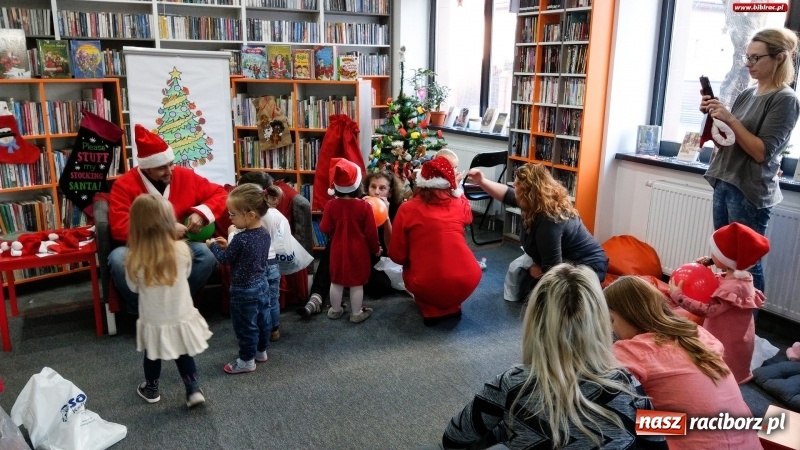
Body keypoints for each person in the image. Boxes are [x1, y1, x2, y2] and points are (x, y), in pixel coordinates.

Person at [442, 264, 667, 450]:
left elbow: (453, 438)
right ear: (599, 324)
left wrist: (507, 426)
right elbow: (659, 444)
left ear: (535, 322)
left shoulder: (512, 384)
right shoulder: (628, 384)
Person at [604, 275, 762, 449]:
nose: (612, 329)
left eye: (612, 321)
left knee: (614, 418)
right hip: (744, 439)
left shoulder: (631, 351)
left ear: (627, 316)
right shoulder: (698, 333)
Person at [701, 27, 800, 292]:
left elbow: (760, 151)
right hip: (726, 180)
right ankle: (725, 320)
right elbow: (732, 138)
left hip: (749, 190)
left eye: (756, 58)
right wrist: (716, 116)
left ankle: (746, 328)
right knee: (725, 257)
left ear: (779, 58)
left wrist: (729, 118)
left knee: (746, 266)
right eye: (748, 57)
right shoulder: (748, 93)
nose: (749, 64)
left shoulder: (785, 100)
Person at [109, 125, 227, 315]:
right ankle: (142, 310)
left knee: (207, 255)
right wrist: (164, 229)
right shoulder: (123, 185)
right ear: (146, 168)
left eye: (171, 163)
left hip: (179, 244)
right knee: (117, 259)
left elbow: (220, 193)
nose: (170, 170)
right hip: (141, 246)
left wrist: (202, 212)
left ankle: (176, 305)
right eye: (162, 167)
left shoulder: (185, 176)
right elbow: (119, 227)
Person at [467, 162, 607, 301]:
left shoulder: (549, 221)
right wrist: (481, 181)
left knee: (536, 293)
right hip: (565, 259)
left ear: (529, 193)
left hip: (588, 267)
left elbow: (554, 268)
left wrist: (540, 271)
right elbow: (506, 194)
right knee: (524, 286)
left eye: (517, 186)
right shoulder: (536, 202)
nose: (513, 187)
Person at [125, 194, 212, 408]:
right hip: (180, 313)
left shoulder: (134, 258)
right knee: (183, 351)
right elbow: (188, 273)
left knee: (152, 354)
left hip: (154, 318)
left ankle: (152, 388)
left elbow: (133, 287)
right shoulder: (182, 250)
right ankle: (193, 389)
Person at [668, 222, 769, 384]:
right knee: (715, 366)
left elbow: (709, 310)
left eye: (715, 253)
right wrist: (706, 265)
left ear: (728, 260)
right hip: (727, 333)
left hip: (728, 340)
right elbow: (720, 281)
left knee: (722, 373)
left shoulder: (735, 287)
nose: (711, 256)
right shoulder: (738, 276)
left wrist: (679, 296)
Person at [298, 169, 405, 316]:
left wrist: (385, 218)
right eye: (373, 187)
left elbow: (391, 248)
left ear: (390, 192)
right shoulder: (361, 205)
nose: (377, 192)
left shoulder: (396, 209)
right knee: (334, 245)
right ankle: (317, 296)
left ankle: (348, 282)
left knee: (382, 287)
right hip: (354, 251)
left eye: (382, 188)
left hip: (378, 258)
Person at [389, 156, 481, 326]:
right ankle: (450, 303)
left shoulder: (407, 208)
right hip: (468, 277)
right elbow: (467, 217)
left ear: (421, 182)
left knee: (412, 267)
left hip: (426, 282)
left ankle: (431, 306)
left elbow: (397, 255)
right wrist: (458, 193)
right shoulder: (459, 203)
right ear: (449, 183)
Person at [208, 183, 274, 374]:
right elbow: (247, 256)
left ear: (251, 215)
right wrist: (226, 246)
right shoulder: (264, 234)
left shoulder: (240, 239)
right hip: (262, 284)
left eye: (233, 214)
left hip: (243, 291)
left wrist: (212, 245)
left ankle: (246, 361)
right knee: (263, 320)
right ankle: (261, 352)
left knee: (245, 327)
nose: (230, 218)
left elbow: (225, 260)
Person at [319, 158, 381, 323]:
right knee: (356, 283)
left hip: (338, 249)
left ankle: (335, 310)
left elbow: (324, 227)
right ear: (358, 184)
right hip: (358, 251)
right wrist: (376, 249)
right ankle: (356, 313)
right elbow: (371, 233)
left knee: (336, 280)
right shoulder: (365, 206)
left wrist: (336, 231)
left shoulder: (331, 205)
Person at [234, 171, 284, 342]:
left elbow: (241, 243)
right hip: (273, 262)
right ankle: (274, 330)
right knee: (273, 298)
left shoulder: (250, 217)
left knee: (259, 302)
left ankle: (259, 331)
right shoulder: (276, 214)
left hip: (256, 264)